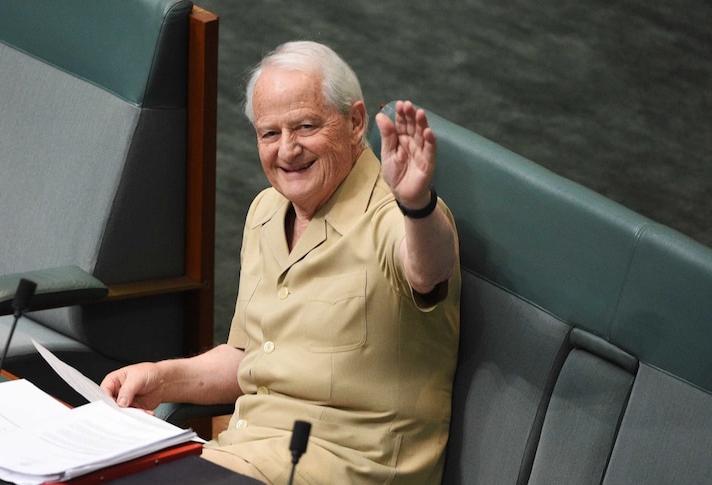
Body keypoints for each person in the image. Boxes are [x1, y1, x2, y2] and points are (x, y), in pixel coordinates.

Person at [101, 40, 461, 484]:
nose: (287, 150)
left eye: (306, 126)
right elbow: (249, 356)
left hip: (346, 469)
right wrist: (160, 378)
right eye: (270, 134)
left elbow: (429, 272)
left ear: (355, 122)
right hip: (241, 455)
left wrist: (417, 203)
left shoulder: (398, 214)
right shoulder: (266, 211)